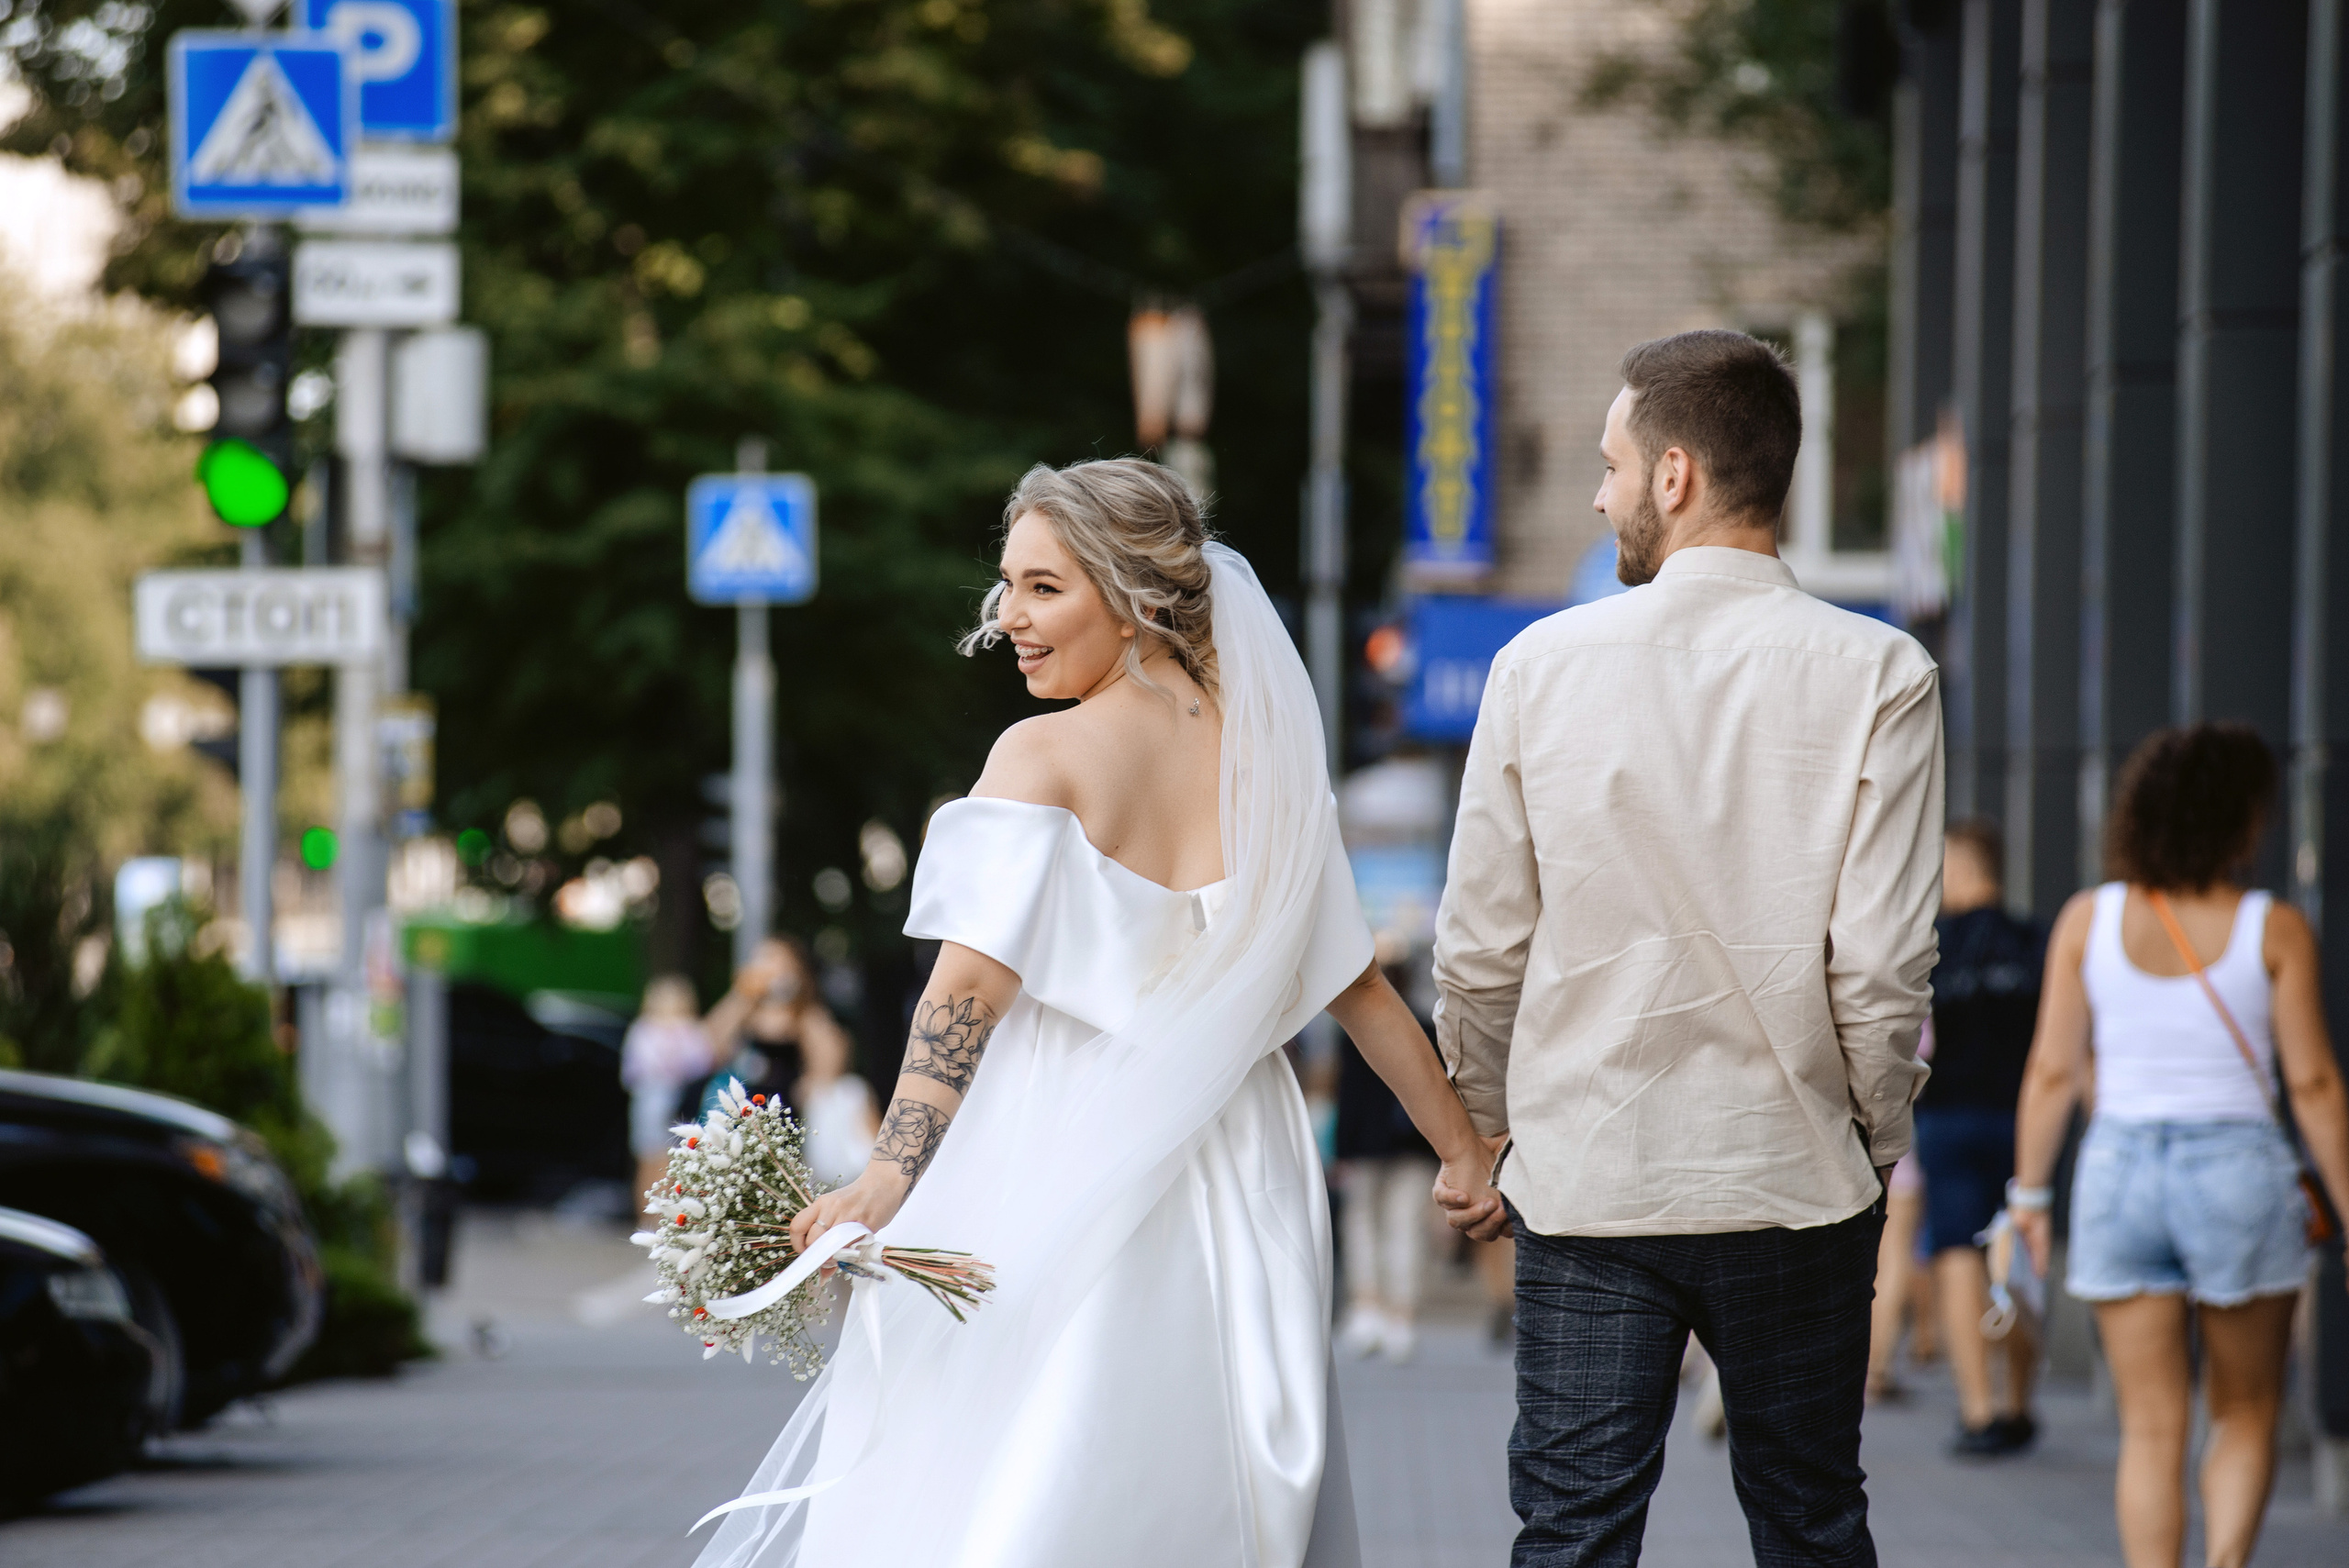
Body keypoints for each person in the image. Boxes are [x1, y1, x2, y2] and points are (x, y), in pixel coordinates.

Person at [696, 459, 1504, 1568]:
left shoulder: (1041, 754)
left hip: (1060, 1142)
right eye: (1007, 587)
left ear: (1133, 599)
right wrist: (1462, 1153)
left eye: (1041, 589)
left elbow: (966, 989)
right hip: (1244, 1164)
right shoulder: (1269, 762)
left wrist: (889, 1171)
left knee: (1018, 1468)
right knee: (1204, 1481)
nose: (1007, 622)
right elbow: (1354, 986)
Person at [1432, 329, 1943, 1567]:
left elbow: (1478, 950)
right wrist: (1871, 1136)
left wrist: (1490, 1126)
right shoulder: (1884, 671)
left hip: (1589, 1171)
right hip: (1797, 1174)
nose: (1600, 493)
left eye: (1611, 465)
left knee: (1573, 1531)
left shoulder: (1536, 667)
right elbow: (1881, 971)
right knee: (1814, 1520)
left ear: (1674, 475)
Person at [2009, 723, 2349, 1568]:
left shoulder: (2089, 918)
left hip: (2119, 1170)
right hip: (2237, 1171)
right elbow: (2312, 1087)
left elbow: (2053, 1070)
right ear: (2241, 819)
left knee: (2151, 1425)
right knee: (2243, 1408)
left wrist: (2029, 1198)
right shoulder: (2272, 928)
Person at [1915, 818, 2045, 1454]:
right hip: (2021, 1122)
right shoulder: (2033, 940)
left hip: (1946, 1119)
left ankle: (1978, 1408)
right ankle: (2019, 1400)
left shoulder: (1930, 945)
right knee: (2017, 1257)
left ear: (1959, 867)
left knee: (1959, 1256)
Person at [1333, 950, 1442, 1364]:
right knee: (1405, 1229)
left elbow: (1350, 1097)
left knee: (1364, 1226)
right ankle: (1400, 1316)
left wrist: (1342, 1149)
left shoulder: (1353, 1031)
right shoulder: (1426, 1028)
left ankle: (1369, 1308)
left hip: (1367, 1147)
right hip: (1414, 1146)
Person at [699, 936, 824, 1118]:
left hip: (787, 1105)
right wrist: (741, 995)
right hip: (742, 1101)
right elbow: (710, 1043)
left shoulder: (804, 1014)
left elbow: (827, 1059)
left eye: (770, 958)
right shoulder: (746, 1008)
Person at [621, 973, 715, 1206]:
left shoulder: (692, 1030)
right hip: (651, 1099)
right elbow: (635, 1069)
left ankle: (669, 1215)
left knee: (675, 1160)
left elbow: (703, 1062)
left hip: (682, 1100)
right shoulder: (643, 1029)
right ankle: (647, 1216)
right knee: (649, 1157)